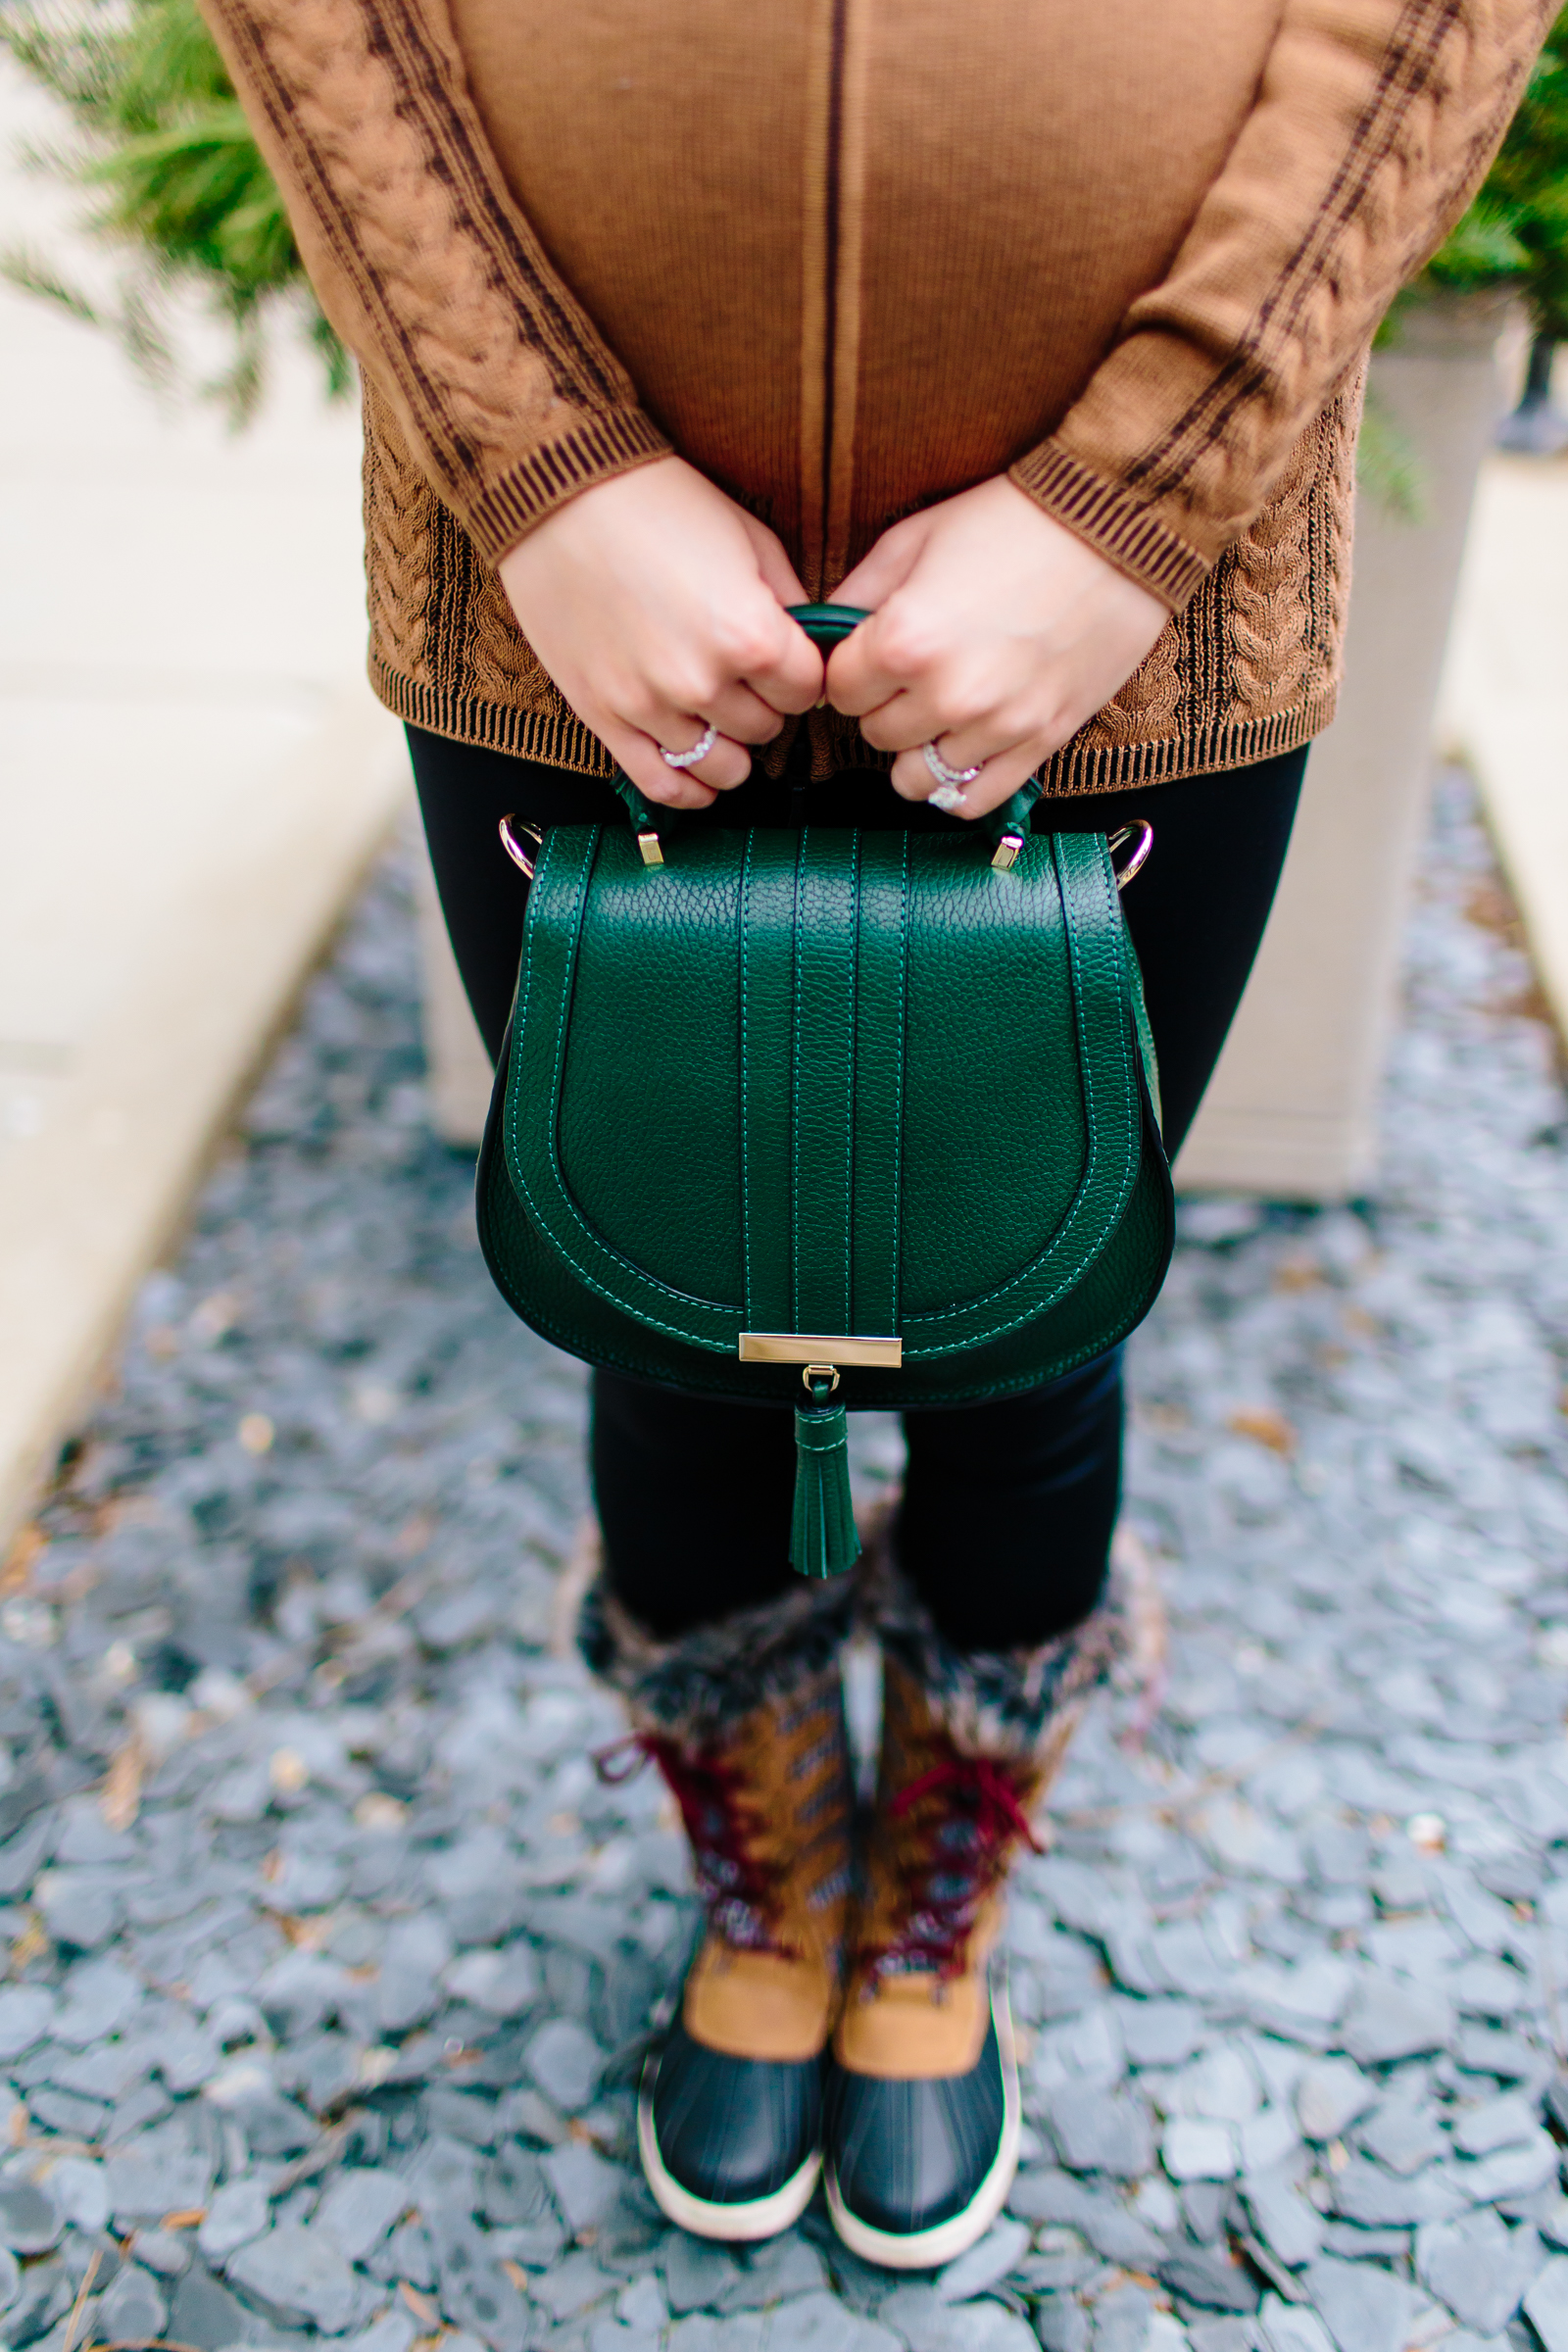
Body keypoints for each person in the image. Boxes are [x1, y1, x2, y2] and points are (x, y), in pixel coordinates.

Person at [202, 0, 1550, 2266]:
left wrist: (1131, 499)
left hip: (1136, 626)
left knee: (1027, 1315)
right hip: (568, 616)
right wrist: (538, 466)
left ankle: (928, 1906)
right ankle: (776, 1877)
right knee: (671, 1304)